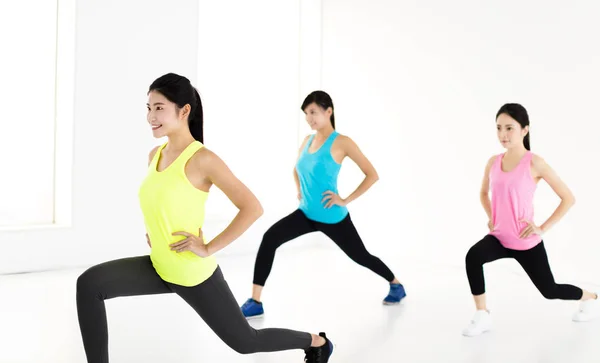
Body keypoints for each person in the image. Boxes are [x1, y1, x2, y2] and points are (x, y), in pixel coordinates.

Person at [75, 73, 334, 363]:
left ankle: (317, 342)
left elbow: (252, 207)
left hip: (192, 274)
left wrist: (208, 248)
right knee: (89, 284)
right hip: (160, 265)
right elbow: (161, 201)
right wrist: (155, 231)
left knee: (246, 341)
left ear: (184, 110)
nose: (151, 116)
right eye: (148, 108)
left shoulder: (203, 159)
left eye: (159, 108)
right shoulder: (155, 155)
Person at [241, 90, 405, 319]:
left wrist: (345, 199)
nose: (309, 118)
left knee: (361, 256)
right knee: (270, 238)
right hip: (306, 213)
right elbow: (296, 169)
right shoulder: (307, 140)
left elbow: (372, 174)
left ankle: (396, 284)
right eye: (307, 113)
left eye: (314, 112)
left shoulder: (342, 142)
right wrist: (300, 190)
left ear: (329, 111)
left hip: (332, 216)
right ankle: (255, 301)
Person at [462, 103, 598, 337]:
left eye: (509, 128)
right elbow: (484, 193)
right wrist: (491, 217)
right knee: (473, 257)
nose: (502, 135)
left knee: (550, 290)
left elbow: (568, 198)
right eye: (498, 128)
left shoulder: (535, 163)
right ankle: (482, 314)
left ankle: (591, 297)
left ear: (525, 130)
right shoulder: (493, 162)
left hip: (526, 242)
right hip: (499, 237)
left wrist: (542, 228)